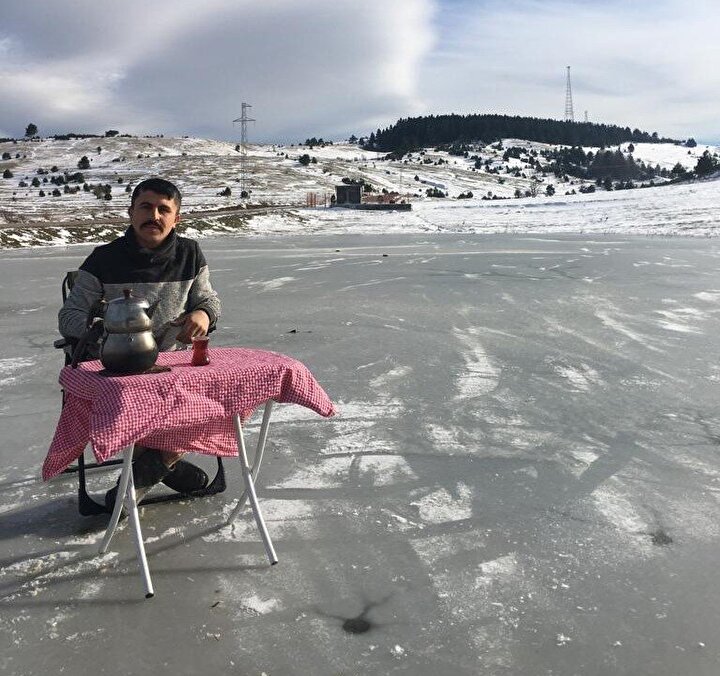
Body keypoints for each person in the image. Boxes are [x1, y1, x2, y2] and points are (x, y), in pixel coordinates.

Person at [58, 177, 222, 510]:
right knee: (143, 406)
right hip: (116, 367)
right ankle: (160, 466)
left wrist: (203, 314)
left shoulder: (190, 254)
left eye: (164, 210)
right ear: (131, 212)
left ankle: (149, 470)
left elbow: (208, 299)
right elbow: (70, 316)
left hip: (172, 363)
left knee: (214, 405)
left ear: (176, 218)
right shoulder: (103, 259)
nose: (154, 216)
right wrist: (111, 332)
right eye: (146, 207)